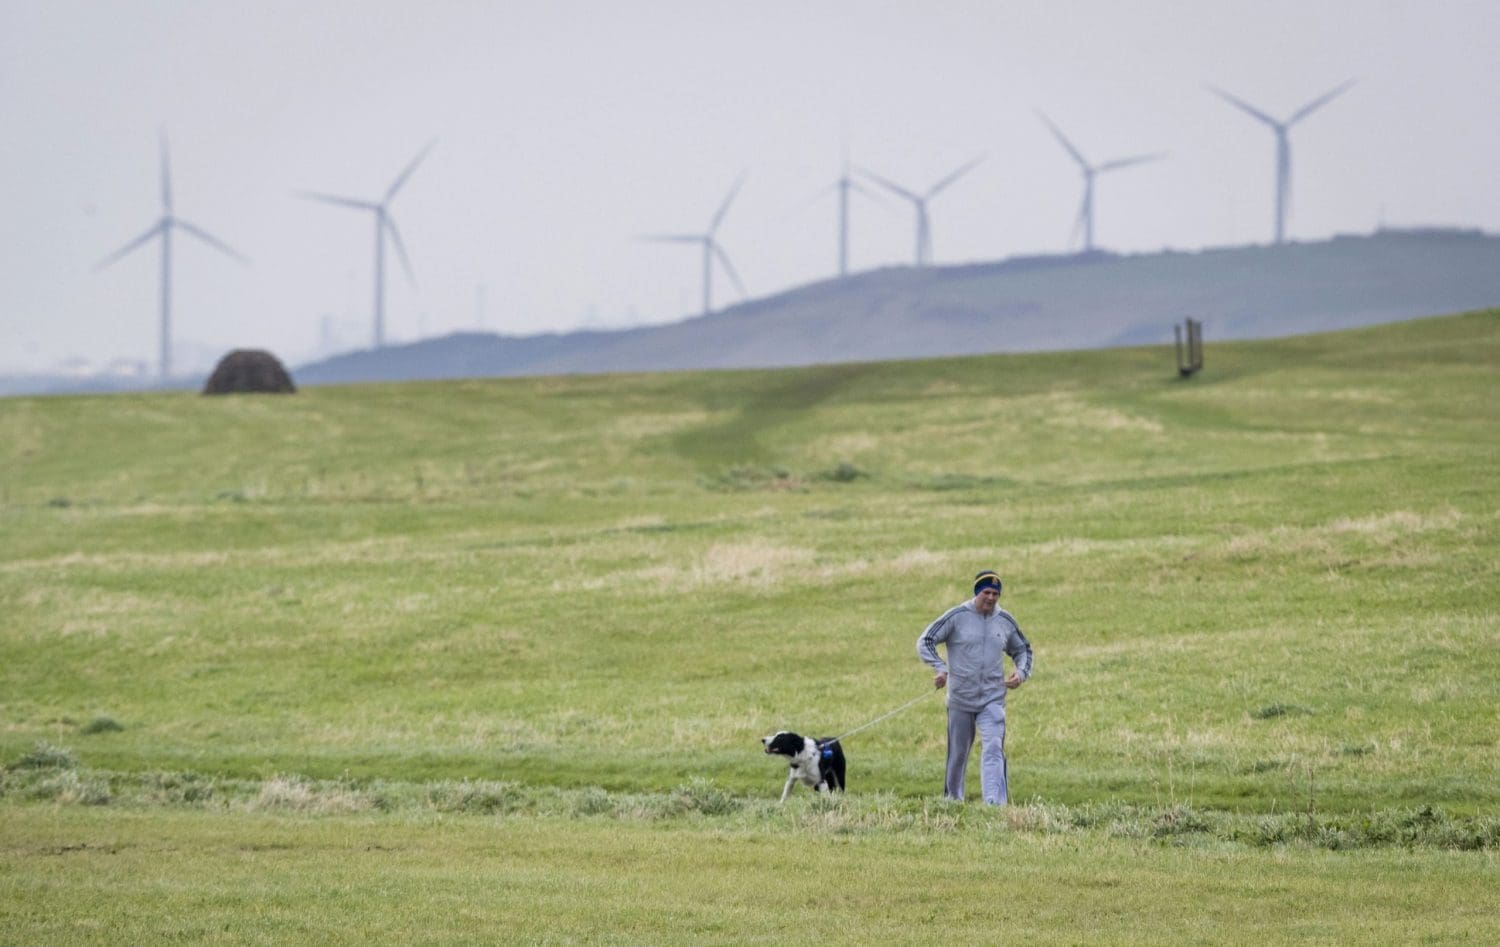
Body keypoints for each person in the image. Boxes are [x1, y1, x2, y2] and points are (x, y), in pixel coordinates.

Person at [916, 570, 1033, 805]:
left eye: (996, 594)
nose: (991, 598)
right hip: (961, 699)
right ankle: (953, 802)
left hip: (993, 698)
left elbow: (1023, 650)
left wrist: (1020, 673)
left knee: (993, 747)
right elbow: (925, 641)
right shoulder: (957, 616)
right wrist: (940, 668)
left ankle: (994, 805)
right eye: (986, 593)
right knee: (958, 754)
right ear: (977, 592)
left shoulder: (1005, 621)